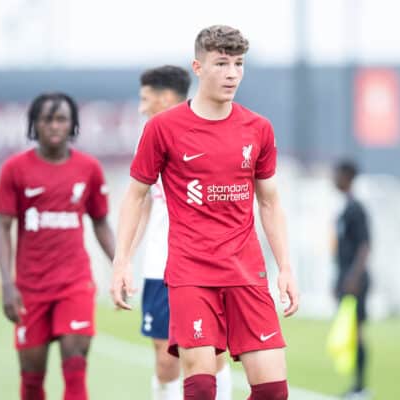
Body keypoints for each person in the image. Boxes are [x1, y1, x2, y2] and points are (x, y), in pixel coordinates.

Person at [111, 25, 299, 400]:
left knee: (274, 391)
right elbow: (136, 196)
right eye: (221, 63)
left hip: (246, 273)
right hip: (191, 273)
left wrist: (286, 268)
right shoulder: (163, 129)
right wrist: (121, 261)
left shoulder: (257, 129)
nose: (232, 73)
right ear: (197, 67)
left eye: (239, 63)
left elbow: (269, 201)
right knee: (199, 387)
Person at [0, 92, 115, 400]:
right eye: (46, 118)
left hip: (74, 284)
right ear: (34, 123)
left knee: (75, 368)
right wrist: (7, 284)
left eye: (61, 118)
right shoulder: (15, 169)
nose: (54, 125)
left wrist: (120, 265)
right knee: (32, 382)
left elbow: (101, 222)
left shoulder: (89, 168)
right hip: (30, 288)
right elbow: (3, 228)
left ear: (72, 123)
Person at [133, 65, 232, 400]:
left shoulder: (210, 131)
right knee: (166, 363)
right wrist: (125, 258)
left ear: (163, 98)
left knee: (212, 357)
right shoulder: (149, 137)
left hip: (207, 265)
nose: (141, 107)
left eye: (145, 99)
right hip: (159, 267)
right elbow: (141, 200)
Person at [333, 160, 372, 400]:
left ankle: (361, 387)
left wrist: (352, 277)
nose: (333, 177)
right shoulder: (345, 208)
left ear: (347, 176)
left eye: (337, 173)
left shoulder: (357, 209)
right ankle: (356, 385)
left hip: (355, 281)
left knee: (357, 333)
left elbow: (365, 246)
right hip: (346, 278)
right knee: (351, 333)